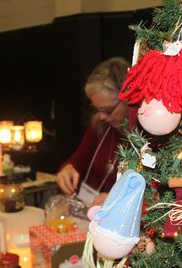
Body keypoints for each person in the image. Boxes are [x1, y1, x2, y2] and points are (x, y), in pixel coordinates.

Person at [56, 57, 130, 206]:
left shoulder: (149, 135)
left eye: (108, 110)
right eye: (97, 109)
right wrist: (68, 168)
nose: (102, 116)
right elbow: (79, 161)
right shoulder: (100, 125)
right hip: (91, 210)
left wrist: (118, 200)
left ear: (129, 99)